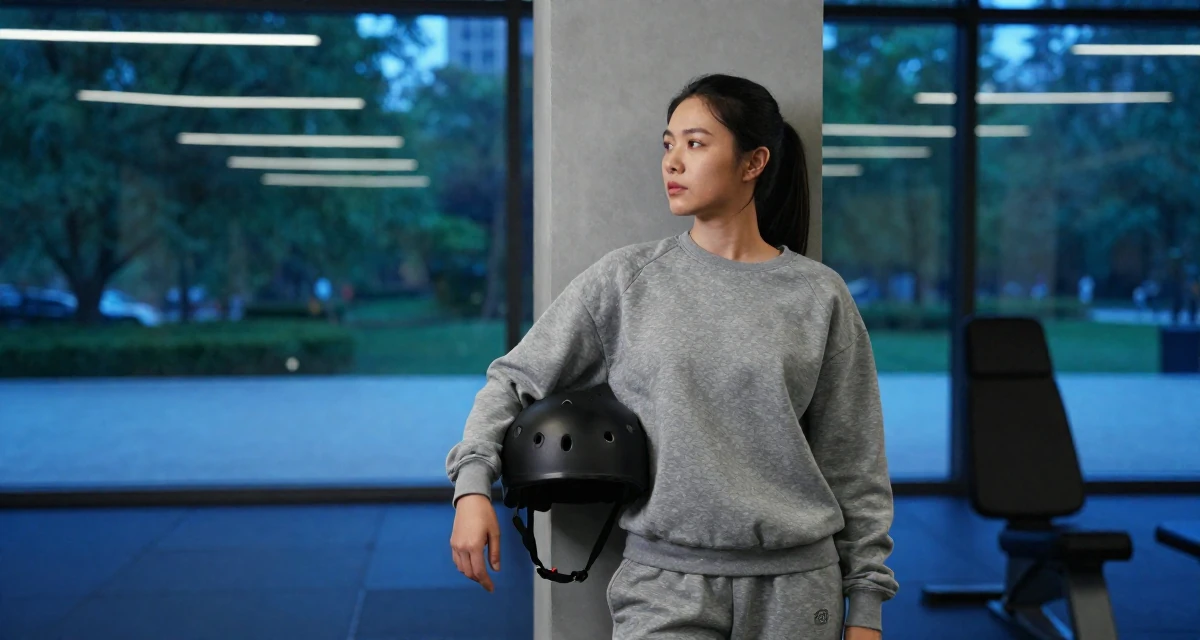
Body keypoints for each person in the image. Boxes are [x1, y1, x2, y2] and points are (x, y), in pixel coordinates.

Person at [447, 73, 897, 640]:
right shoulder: (626, 280)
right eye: (668, 144)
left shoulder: (819, 294)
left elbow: (855, 462)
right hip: (665, 586)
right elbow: (511, 382)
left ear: (753, 162)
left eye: (695, 143)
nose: (672, 162)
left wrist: (867, 610)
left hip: (800, 588)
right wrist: (471, 487)